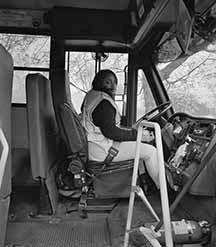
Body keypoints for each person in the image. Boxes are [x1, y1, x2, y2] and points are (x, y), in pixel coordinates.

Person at [81, 69, 160, 189]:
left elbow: (106, 127)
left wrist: (133, 133)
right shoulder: (104, 103)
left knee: (138, 146)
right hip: (103, 150)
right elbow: (111, 132)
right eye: (108, 82)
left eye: (114, 83)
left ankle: (145, 183)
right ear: (98, 82)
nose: (112, 86)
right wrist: (138, 135)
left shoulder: (92, 95)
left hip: (95, 146)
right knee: (151, 152)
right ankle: (164, 192)